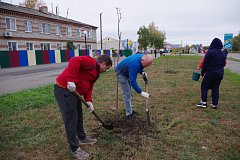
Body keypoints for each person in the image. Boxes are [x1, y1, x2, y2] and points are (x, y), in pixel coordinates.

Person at [54, 55, 112, 159]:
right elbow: (74, 60)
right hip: (64, 89)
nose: (106, 70)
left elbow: (89, 86)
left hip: (75, 93)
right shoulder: (90, 62)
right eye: (107, 68)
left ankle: (82, 137)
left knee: (79, 117)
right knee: (71, 120)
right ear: (103, 64)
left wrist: (89, 101)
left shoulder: (96, 73)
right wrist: (71, 80)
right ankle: (75, 149)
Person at [115, 54, 153, 119]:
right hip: (121, 73)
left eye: (148, 65)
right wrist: (141, 92)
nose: (146, 67)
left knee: (129, 92)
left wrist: (142, 72)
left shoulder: (142, 58)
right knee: (127, 93)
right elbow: (133, 81)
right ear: (142, 60)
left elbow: (141, 66)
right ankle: (129, 114)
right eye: (146, 65)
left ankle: (130, 109)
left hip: (128, 71)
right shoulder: (135, 64)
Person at [196, 38, 227, 109]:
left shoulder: (210, 52)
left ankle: (203, 102)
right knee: (215, 88)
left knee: (204, 86)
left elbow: (205, 64)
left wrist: (202, 74)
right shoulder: (223, 53)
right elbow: (224, 63)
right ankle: (214, 104)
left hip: (211, 72)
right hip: (220, 73)